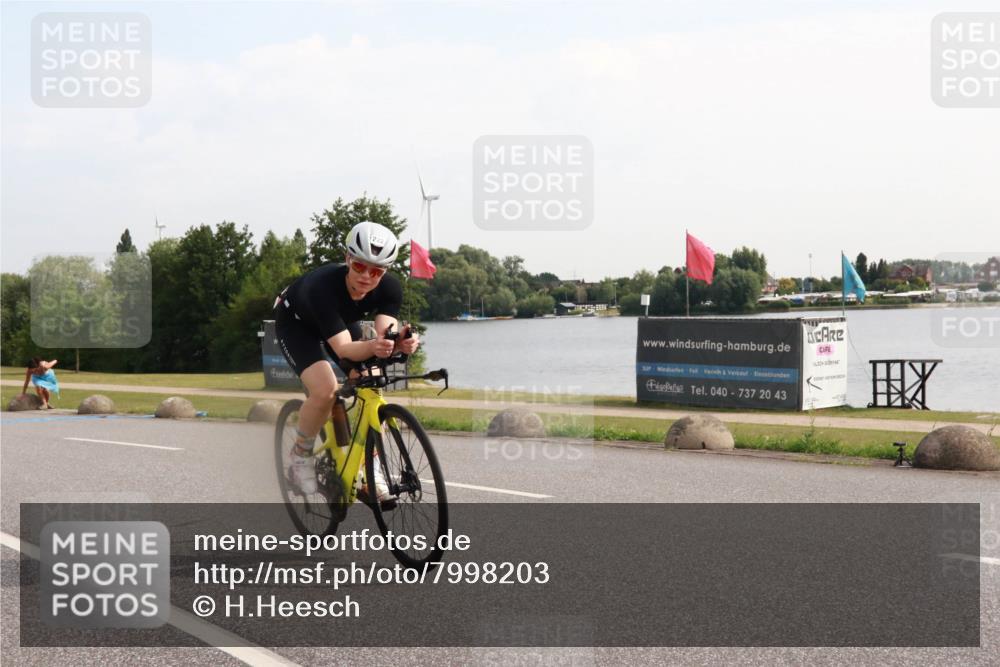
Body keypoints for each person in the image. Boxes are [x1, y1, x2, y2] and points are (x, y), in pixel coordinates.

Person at [274, 221, 419, 496]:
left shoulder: (390, 289)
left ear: (385, 272)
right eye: (360, 266)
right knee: (325, 389)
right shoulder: (323, 287)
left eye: (376, 271)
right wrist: (377, 345)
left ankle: (368, 465)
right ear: (347, 259)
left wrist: (401, 341)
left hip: (338, 322)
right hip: (297, 324)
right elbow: (344, 349)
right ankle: (299, 457)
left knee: (369, 377)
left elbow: (383, 334)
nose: (367, 276)